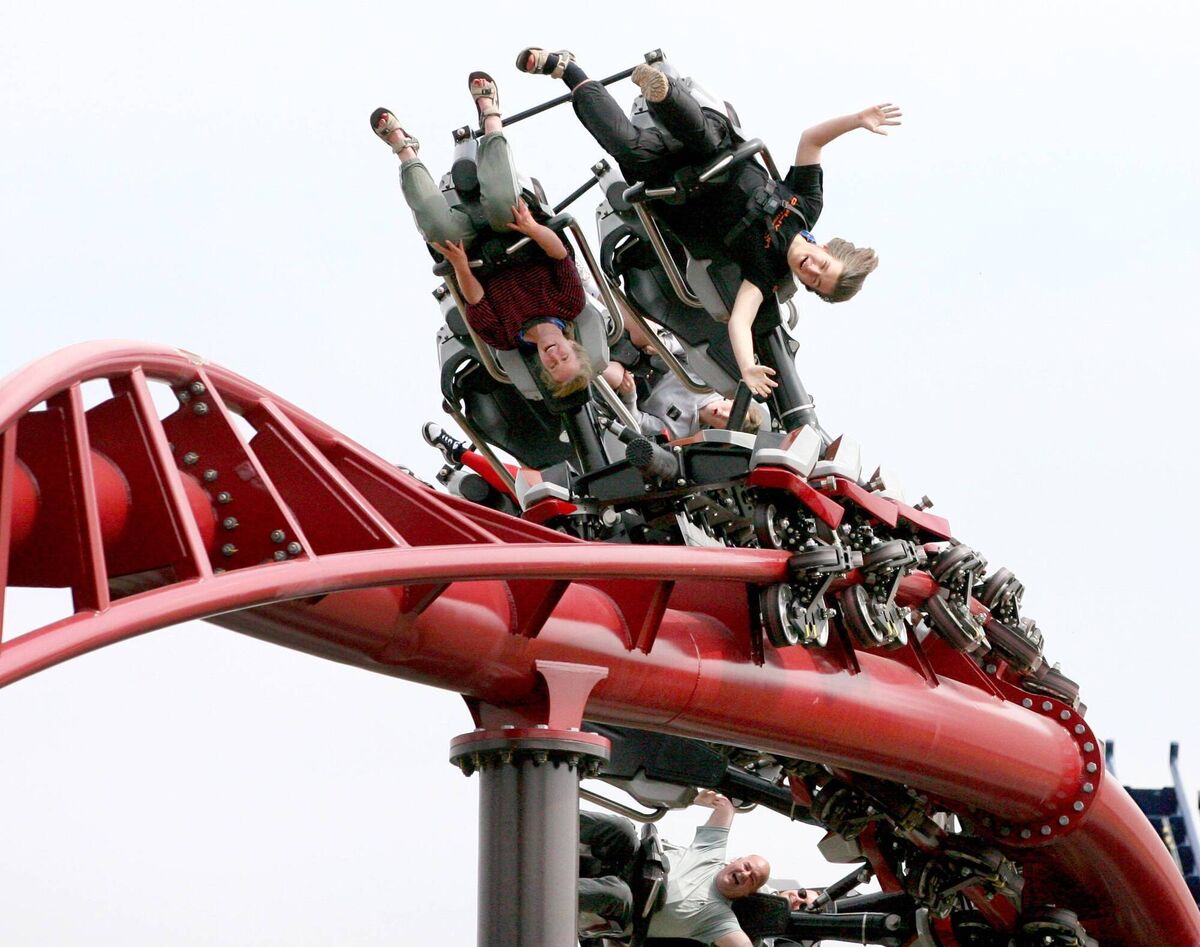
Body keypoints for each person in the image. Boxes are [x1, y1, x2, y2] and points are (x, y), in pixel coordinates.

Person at [514, 49, 899, 397]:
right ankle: (662, 93)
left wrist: (747, 367)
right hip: (712, 147)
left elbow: (740, 323)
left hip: (674, 181)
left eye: (814, 281)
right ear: (826, 249)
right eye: (823, 267)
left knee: (628, 149)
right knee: (704, 138)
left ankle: (569, 71)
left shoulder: (765, 273)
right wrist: (857, 120)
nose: (811, 270)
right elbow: (811, 140)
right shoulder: (806, 206)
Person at [370, 73, 591, 397]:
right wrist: (533, 228)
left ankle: (403, 148)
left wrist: (460, 265)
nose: (555, 356)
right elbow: (559, 254)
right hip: (518, 234)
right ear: (573, 346)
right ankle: (490, 114)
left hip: (475, 255)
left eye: (552, 365)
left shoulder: (504, 337)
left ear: (543, 367)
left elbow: (474, 299)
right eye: (565, 357)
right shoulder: (569, 304)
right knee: (504, 203)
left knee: (439, 231)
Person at [578, 789, 773, 947]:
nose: (745, 874)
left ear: (747, 893)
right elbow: (726, 808)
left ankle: (558, 889)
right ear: (736, 860)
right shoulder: (712, 852)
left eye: (752, 879)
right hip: (631, 860)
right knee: (623, 828)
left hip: (625, 907)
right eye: (746, 866)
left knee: (616, 892)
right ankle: (559, 819)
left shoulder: (720, 920)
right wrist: (699, 798)